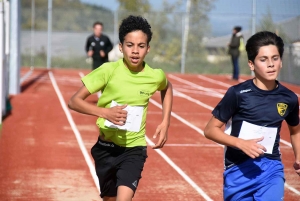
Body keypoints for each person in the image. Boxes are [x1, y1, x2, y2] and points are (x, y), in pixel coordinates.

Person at [69, 15, 173, 201]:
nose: (135, 51)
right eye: (129, 45)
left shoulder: (155, 76)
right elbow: (74, 101)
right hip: (105, 149)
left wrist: (166, 122)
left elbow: (168, 88)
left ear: (148, 49)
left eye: (141, 46)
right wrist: (105, 113)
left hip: (133, 149)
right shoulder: (108, 71)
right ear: (120, 47)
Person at [204, 31, 300, 201]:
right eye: (263, 60)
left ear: (281, 61)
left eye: (275, 58)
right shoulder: (237, 93)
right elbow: (210, 130)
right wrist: (240, 143)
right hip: (238, 170)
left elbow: (295, 131)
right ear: (251, 64)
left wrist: (299, 156)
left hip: (271, 169)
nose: (271, 64)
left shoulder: (289, 98)